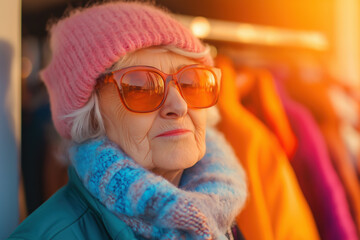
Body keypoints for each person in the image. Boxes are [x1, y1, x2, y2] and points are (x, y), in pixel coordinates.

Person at [8, 1, 247, 239]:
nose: (179, 106)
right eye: (140, 87)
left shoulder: (218, 217)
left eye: (191, 82)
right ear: (91, 116)